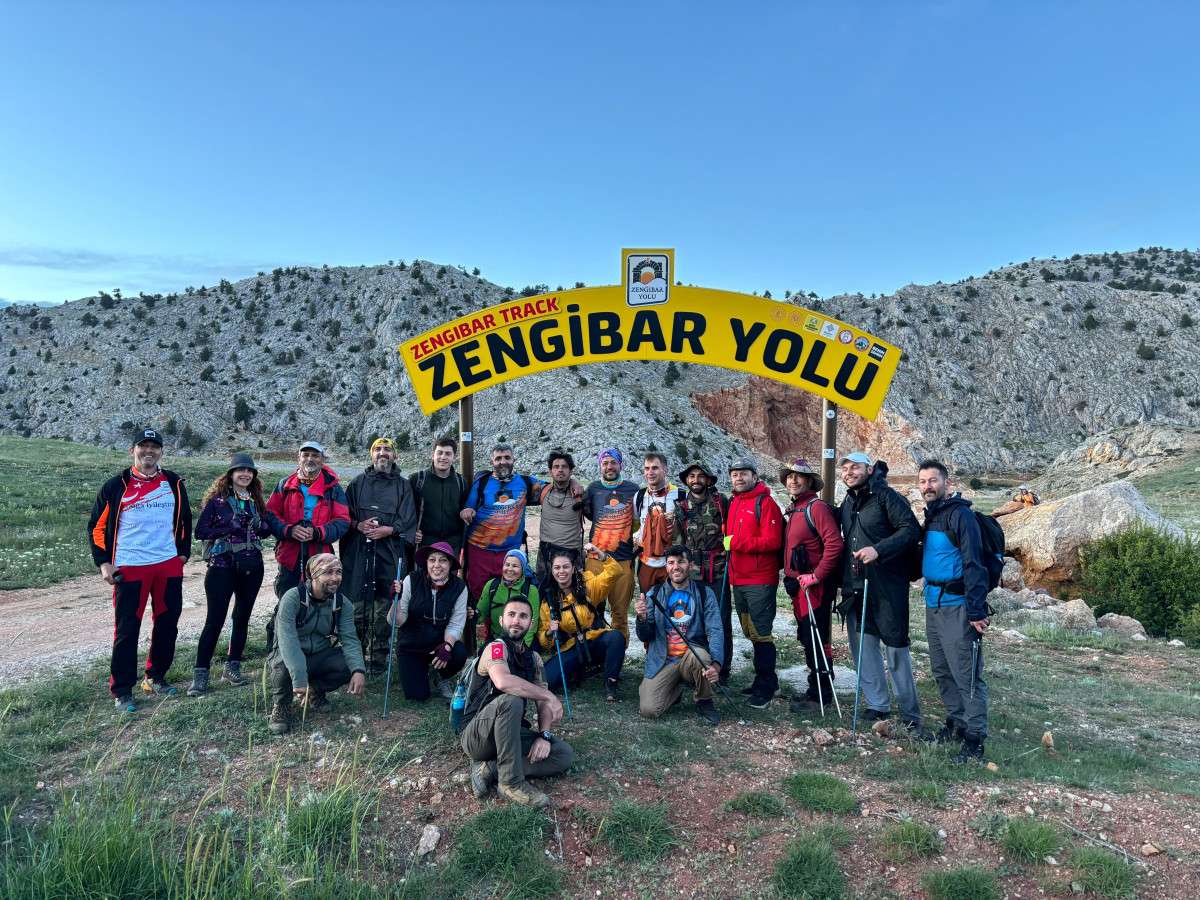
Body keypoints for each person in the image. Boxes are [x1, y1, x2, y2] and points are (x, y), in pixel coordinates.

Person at [88, 426, 192, 711]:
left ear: (161, 452)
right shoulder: (115, 486)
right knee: (127, 628)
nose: (148, 452)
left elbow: (184, 520)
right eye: (143, 447)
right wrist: (104, 562)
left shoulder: (173, 482)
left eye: (154, 447)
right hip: (130, 566)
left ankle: (155, 677)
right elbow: (97, 526)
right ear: (133, 450)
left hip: (167, 564)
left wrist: (182, 554)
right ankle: (122, 690)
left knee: (168, 623)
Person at [836, 451, 927, 735]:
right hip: (856, 585)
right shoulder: (848, 501)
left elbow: (910, 530)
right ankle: (878, 704)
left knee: (895, 645)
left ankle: (910, 711)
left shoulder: (888, 497)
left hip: (888, 584)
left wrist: (879, 549)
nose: (849, 472)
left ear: (870, 468)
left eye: (855, 467)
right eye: (846, 468)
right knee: (863, 647)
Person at [459, 595, 573, 808]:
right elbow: (503, 681)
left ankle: (490, 768)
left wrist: (544, 735)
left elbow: (542, 703)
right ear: (502, 620)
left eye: (523, 616)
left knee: (562, 754)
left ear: (531, 623)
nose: (516, 620)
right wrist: (548, 696)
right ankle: (510, 782)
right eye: (511, 615)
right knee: (511, 700)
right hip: (477, 736)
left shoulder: (534, 659)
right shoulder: (496, 647)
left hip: (509, 733)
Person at [189, 452, 281, 696]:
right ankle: (200, 674)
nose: (245, 474)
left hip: (252, 565)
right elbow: (201, 531)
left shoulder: (256, 501)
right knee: (214, 621)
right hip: (222, 566)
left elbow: (263, 531)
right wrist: (228, 526)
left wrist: (263, 528)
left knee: (241, 618)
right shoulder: (217, 502)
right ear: (230, 474)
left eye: (249, 471)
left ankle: (233, 668)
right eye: (240, 470)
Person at [918, 459, 990, 762]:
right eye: (922, 481)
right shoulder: (932, 517)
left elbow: (975, 564)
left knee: (966, 674)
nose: (927, 487)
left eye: (933, 481)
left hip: (958, 607)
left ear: (947, 483)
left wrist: (976, 611)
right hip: (933, 605)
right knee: (942, 670)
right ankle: (956, 722)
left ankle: (974, 739)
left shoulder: (961, 517)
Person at [340, 437, 418, 673]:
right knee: (357, 607)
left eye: (387, 450)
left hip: (390, 553)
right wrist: (357, 525)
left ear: (395, 456)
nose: (382, 453)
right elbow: (344, 516)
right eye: (378, 449)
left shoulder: (403, 486)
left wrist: (389, 530)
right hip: (359, 553)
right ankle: (355, 658)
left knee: (385, 607)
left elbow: (408, 519)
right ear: (371, 455)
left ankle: (378, 658)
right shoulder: (356, 483)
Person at [266, 553, 366, 735]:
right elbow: (287, 640)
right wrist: (299, 678)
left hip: (319, 654)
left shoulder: (343, 604)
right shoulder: (292, 598)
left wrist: (358, 669)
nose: (335, 578)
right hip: (289, 655)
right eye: (328, 572)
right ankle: (281, 705)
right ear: (313, 575)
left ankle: (315, 691)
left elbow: (350, 639)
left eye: (338, 572)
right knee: (281, 662)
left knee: (348, 662)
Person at [779, 458, 843, 714]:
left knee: (816, 639)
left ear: (809, 482)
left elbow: (834, 544)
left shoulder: (816, 508)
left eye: (799, 477)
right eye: (790, 476)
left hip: (813, 588)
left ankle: (821, 696)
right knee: (808, 638)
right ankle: (815, 688)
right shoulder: (796, 509)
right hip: (799, 587)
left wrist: (817, 576)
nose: (793, 480)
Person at [635, 545, 724, 725]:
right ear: (666, 567)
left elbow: (715, 630)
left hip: (691, 656)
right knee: (649, 710)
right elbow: (645, 636)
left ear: (690, 565)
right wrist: (642, 618)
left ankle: (704, 700)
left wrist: (716, 665)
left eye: (681, 562)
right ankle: (674, 689)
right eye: (671, 563)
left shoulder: (704, 593)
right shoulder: (654, 593)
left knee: (702, 657)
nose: (676, 567)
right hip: (663, 660)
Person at [725, 457, 784, 709]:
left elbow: (773, 542)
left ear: (754, 476)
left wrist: (735, 542)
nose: (739, 478)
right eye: (735, 474)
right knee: (750, 631)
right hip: (739, 579)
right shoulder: (735, 502)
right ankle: (763, 679)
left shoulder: (766, 503)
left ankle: (766, 686)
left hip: (760, 580)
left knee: (761, 633)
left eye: (743, 474)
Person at [537, 545, 627, 701]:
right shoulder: (549, 601)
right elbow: (545, 643)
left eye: (566, 567)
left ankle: (610, 683)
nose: (561, 571)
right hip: (571, 647)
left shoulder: (587, 586)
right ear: (552, 570)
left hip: (594, 639)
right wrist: (550, 632)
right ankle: (580, 672)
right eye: (557, 567)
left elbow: (615, 572)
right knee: (548, 681)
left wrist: (601, 555)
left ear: (573, 569)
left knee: (616, 637)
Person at [460, 443, 545, 601]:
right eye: (498, 458)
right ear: (492, 461)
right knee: (478, 593)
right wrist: (467, 511)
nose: (502, 461)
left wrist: (574, 484)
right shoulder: (482, 483)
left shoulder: (526, 482)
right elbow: (469, 506)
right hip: (479, 550)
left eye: (507, 457)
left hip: (509, 552)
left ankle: (501, 625)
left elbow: (550, 489)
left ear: (514, 459)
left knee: (507, 594)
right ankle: (480, 625)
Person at [266, 440, 351, 599]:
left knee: (319, 598)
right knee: (287, 597)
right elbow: (270, 514)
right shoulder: (284, 485)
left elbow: (343, 520)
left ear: (322, 459)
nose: (310, 459)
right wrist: (289, 530)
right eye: (305, 455)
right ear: (299, 458)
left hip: (320, 554)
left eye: (315, 455)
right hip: (289, 554)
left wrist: (318, 533)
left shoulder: (333, 488)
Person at [387, 542, 470, 702]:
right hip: (411, 645)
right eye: (432, 560)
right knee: (417, 696)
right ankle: (420, 670)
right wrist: (395, 602)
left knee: (459, 653)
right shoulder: (411, 580)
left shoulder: (459, 587)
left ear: (451, 563)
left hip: (438, 644)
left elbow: (455, 623)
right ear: (426, 563)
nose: (437, 565)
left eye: (443, 560)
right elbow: (397, 621)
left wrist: (447, 646)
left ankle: (440, 676)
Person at [674, 461, 732, 684]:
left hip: (718, 571)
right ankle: (695, 669)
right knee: (692, 620)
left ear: (708, 480)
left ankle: (722, 670)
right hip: (692, 574)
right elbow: (678, 542)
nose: (695, 480)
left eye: (700, 476)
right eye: (691, 476)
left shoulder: (720, 502)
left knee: (721, 621)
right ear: (686, 481)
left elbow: (731, 529)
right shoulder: (681, 506)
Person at [581, 448, 639, 640]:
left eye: (613, 462)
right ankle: (593, 655)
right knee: (590, 610)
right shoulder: (593, 488)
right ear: (600, 466)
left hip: (623, 559)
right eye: (605, 463)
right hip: (596, 559)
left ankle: (618, 656)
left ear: (620, 465)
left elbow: (640, 520)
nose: (609, 467)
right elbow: (589, 513)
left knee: (620, 613)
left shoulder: (633, 489)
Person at [632, 452, 685, 594]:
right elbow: (636, 525)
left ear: (665, 470)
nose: (650, 472)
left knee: (673, 607)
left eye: (655, 468)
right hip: (646, 563)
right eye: (647, 468)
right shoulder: (639, 496)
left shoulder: (681, 495)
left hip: (672, 562)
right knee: (648, 606)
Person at [534, 449, 585, 584]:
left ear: (571, 471)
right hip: (545, 554)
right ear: (550, 471)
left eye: (564, 467)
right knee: (543, 594)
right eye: (556, 467)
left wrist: (575, 482)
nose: (560, 470)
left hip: (572, 554)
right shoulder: (542, 491)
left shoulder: (580, 495)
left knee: (573, 596)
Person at [411, 437, 468, 554]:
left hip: (453, 545)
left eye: (448, 453)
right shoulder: (417, 480)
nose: (443, 457)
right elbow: (406, 512)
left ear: (454, 457)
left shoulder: (461, 482)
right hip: (424, 544)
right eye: (440, 453)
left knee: (450, 573)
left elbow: (465, 511)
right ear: (433, 455)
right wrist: (411, 531)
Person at [476, 549, 542, 647]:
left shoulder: (531, 591)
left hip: (520, 640)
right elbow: (480, 616)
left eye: (515, 566)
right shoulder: (492, 586)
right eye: (507, 565)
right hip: (495, 639)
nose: (510, 569)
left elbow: (532, 624)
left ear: (523, 569)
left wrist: (522, 647)